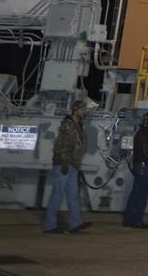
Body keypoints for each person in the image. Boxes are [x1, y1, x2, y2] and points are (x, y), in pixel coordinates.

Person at [43, 98, 92, 235]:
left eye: (84, 109)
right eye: (82, 109)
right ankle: (49, 225)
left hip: (73, 164)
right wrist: (64, 162)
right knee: (57, 194)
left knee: (73, 195)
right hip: (64, 164)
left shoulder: (78, 125)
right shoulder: (68, 124)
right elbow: (60, 145)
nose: (84, 112)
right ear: (75, 110)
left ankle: (75, 223)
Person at [123, 111, 148, 228]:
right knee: (141, 194)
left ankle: (128, 218)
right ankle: (137, 219)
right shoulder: (144, 134)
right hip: (143, 166)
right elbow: (147, 152)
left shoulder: (141, 133)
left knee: (135, 192)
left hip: (139, 165)